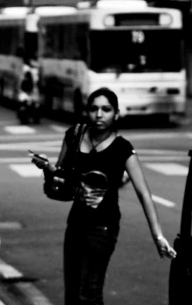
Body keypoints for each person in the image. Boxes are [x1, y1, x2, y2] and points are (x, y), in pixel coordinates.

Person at [31, 88, 176, 305]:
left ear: (116, 114)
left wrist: (158, 236)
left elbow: (143, 193)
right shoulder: (73, 136)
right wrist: (48, 169)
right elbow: (59, 184)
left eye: (106, 109)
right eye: (94, 109)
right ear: (87, 111)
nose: (99, 114)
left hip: (103, 228)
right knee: (72, 294)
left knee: (88, 293)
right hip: (76, 223)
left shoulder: (122, 149)